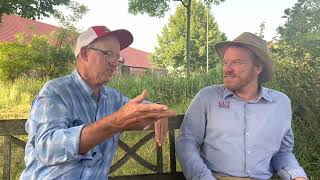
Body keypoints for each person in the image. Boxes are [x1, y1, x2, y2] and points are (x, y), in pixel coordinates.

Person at [20, 26, 176, 179]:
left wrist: (158, 111)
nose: (115, 63)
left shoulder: (113, 98)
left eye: (118, 57)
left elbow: (141, 108)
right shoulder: (56, 92)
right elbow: (47, 148)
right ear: (84, 53)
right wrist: (116, 122)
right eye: (108, 54)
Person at [176, 32, 308, 180]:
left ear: (257, 67)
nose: (227, 69)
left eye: (236, 62)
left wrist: (297, 176)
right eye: (225, 62)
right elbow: (187, 143)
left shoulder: (280, 103)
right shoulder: (207, 97)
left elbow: (282, 152)